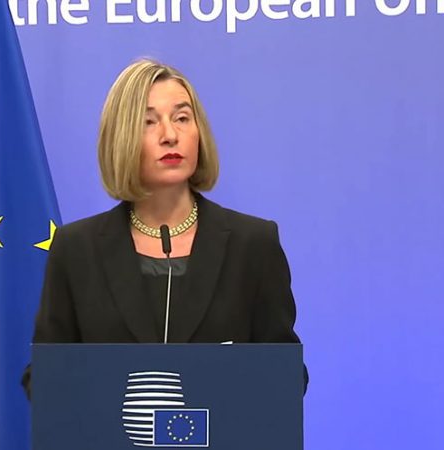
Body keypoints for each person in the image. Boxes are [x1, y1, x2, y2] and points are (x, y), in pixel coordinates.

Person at [22, 59, 305, 395]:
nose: (170, 136)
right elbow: (45, 377)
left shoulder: (254, 245)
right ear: (121, 137)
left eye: (182, 118)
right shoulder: (76, 249)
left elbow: (285, 375)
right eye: (148, 122)